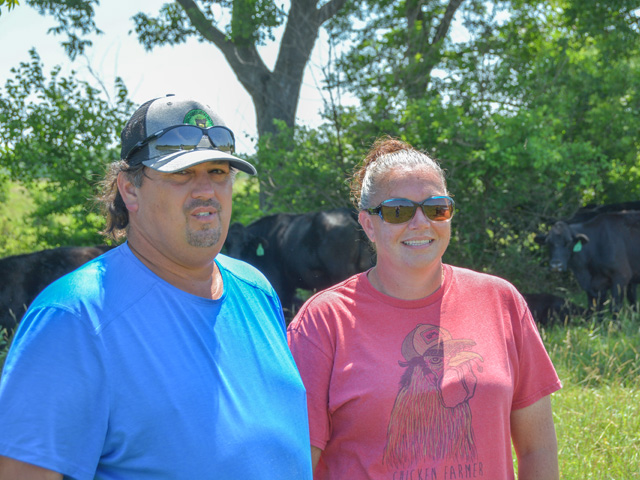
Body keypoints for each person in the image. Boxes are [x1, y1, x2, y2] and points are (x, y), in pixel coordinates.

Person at [0, 95, 312, 479]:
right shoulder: (74, 319)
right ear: (129, 189)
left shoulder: (256, 289)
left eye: (218, 172)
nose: (206, 191)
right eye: (181, 173)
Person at [287, 137, 562, 479]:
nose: (420, 223)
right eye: (398, 211)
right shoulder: (324, 321)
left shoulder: (501, 301)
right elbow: (295, 465)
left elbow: (538, 448)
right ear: (368, 224)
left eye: (436, 208)